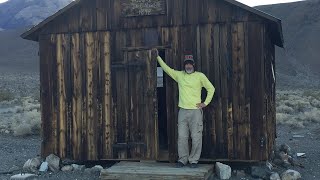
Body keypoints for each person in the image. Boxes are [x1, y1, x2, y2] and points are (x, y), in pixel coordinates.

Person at [152, 49, 215, 168]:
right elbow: (167, 69)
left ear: (193, 65)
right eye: (186, 63)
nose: (188, 65)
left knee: (196, 137)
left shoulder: (200, 76)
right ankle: (183, 159)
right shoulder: (180, 75)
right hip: (183, 111)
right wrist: (158, 58)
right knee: (182, 137)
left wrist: (205, 103)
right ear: (184, 65)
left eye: (190, 63)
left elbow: (211, 88)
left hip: (196, 112)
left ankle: (194, 160)